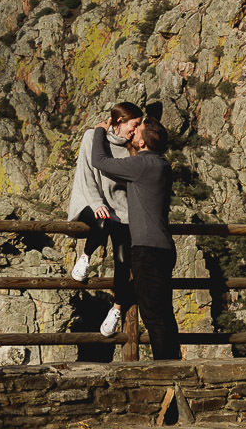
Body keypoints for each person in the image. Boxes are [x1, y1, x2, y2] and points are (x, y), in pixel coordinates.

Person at [90, 115, 181, 360]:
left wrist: (100, 130)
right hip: (163, 247)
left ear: (142, 143)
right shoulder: (162, 164)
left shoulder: (141, 165)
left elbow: (99, 161)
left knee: (153, 315)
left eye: (137, 131)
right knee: (164, 312)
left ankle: (167, 369)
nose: (133, 134)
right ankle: (173, 364)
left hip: (147, 249)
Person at [66, 101, 142, 335]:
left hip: (122, 211)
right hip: (90, 201)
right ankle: (85, 256)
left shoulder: (131, 148)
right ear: (120, 121)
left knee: (123, 261)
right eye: (134, 124)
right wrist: (98, 203)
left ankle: (116, 309)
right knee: (102, 220)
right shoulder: (92, 136)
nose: (136, 130)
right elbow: (87, 173)